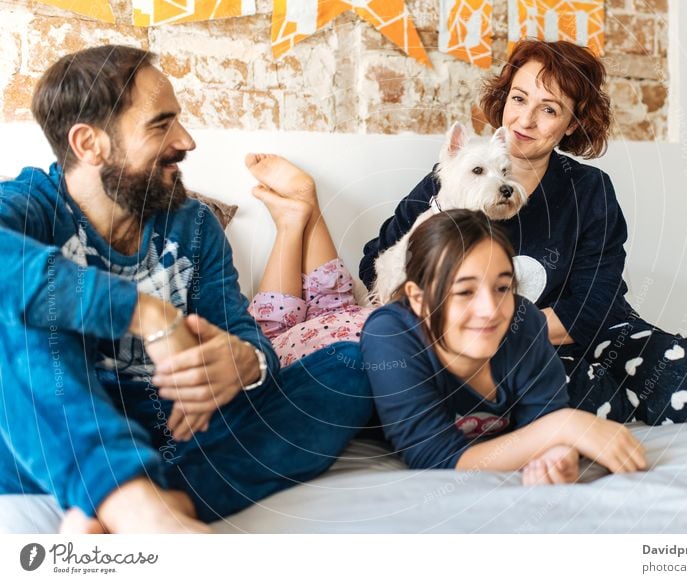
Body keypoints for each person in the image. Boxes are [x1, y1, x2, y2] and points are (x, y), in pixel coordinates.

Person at [0, 45, 371, 534]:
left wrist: (245, 361)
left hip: (174, 424)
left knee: (353, 363)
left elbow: (240, 330)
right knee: (15, 313)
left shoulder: (193, 224)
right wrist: (146, 314)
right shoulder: (28, 208)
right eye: (161, 124)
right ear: (89, 144)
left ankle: (158, 498)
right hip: (58, 421)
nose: (186, 140)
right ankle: (129, 501)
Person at [360, 39, 687, 426]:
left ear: (572, 123)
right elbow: (379, 261)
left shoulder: (590, 190)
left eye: (549, 109)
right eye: (518, 99)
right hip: (499, 346)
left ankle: (652, 388)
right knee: (569, 396)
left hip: (591, 331)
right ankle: (616, 397)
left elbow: (596, 304)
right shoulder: (454, 179)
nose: (525, 119)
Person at [360, 209, 647, 482]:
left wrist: (559, 454)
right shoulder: (390, 335)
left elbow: (545, 416)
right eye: (464, 291)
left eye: (502, 288)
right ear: (419, 299)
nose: (491, 310)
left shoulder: (524, 322)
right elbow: (435, 457)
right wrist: (565, 426)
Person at [243, 154, 373, 367]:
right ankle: (290, 221)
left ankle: (303, 206)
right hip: (348, 354)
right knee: (267, 339)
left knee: (335, 307)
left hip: (363, 330)